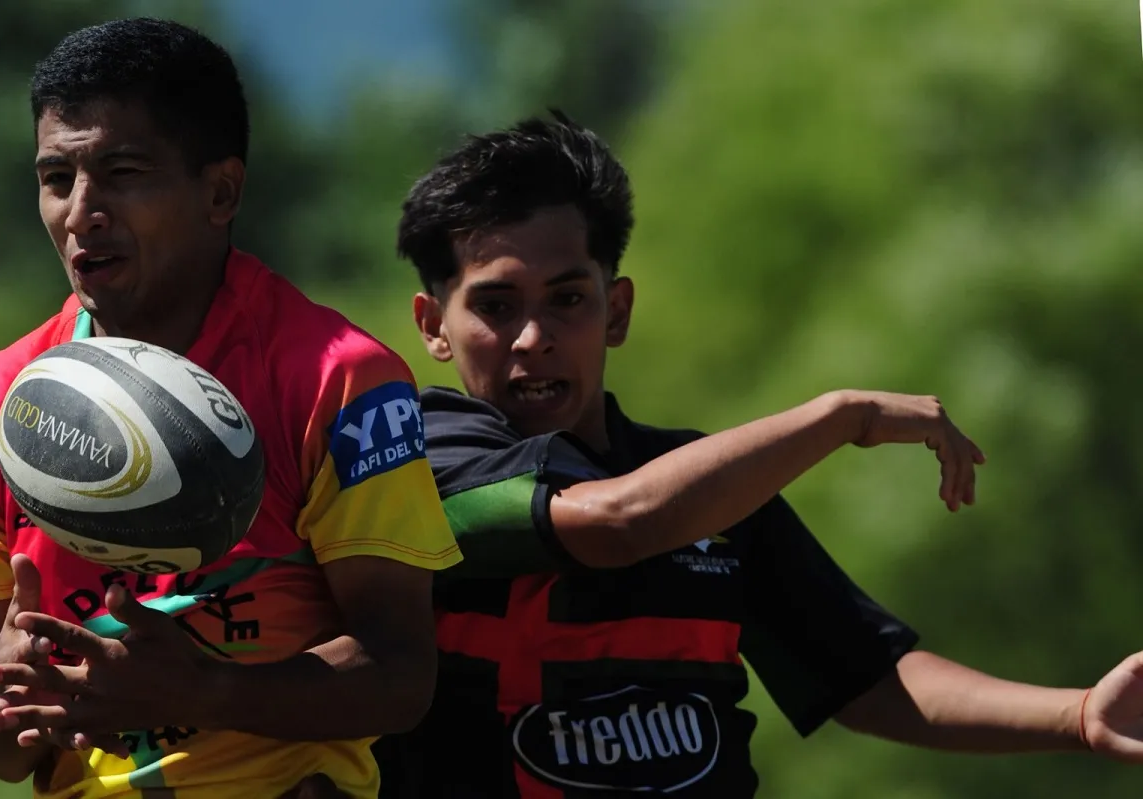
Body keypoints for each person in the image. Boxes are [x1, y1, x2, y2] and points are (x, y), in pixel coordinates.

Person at [371, 111, 1143, 796]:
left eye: (568, 297)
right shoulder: (418, 460)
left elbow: (867, 679)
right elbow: (617, 523)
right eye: (496, 306)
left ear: (618, 310)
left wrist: (1075, 714)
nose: (533, 337)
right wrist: (843, 415)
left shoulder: (708, 484)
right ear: (434, 324)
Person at [0, 18, 461, 799]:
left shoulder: (340, 381)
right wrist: (2, 694)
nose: (82, 211)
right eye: (57, 179)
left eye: (122, 172)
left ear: (221, 190)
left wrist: (199, 690)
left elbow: (401, 674)